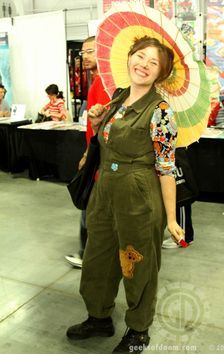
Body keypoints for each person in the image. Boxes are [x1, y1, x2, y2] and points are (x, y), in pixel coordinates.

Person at [66, 36, 184, 353]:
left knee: (137, 263)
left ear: (160, 74)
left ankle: (138, 331)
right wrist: (97, 120)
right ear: (129, 56)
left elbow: (166, 167)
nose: (143, 65)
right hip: (105, 191)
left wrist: (171, 218)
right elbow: (108, 139)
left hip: (139, 194)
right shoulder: (118, 98)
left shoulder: (161, 112)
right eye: (140, 56)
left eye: (153, 62)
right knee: (97, 258)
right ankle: (99, 317)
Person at [65, 36, 110, 268]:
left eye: (91, 51)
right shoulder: (96, 82)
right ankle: (88, 253)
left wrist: (88, 155)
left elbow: (101, 126)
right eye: (84, 53)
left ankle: (89, 254)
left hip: (101, 157)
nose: (86, 57)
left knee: (91, 207)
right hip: (96, 155)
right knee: (90, 207)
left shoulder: (103, 84)